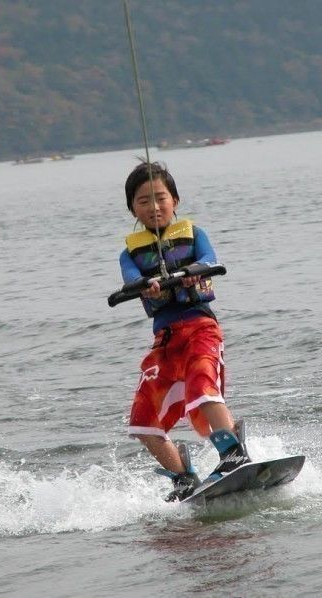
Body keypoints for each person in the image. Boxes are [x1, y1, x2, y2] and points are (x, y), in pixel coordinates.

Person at [118, 161, 250, 501]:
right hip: (165, 341)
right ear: (132, 208)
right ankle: (182, 478)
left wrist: (192, 271)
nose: (154, 206)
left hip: (200, 328)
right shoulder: (129, 253)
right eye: (143, 200)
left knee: (201, 385)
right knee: (142, 420)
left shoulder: (195, 236)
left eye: (160, 198)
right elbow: (131, 280)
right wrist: (146, 285)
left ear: (175, 200)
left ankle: (234, 453)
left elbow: (209, 258)